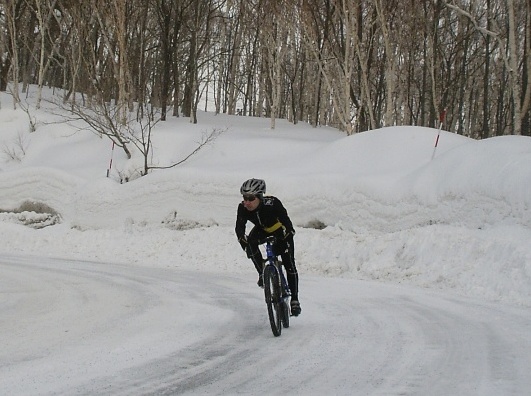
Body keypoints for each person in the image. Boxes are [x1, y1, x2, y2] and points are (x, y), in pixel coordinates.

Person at [235, 178, 301, 316]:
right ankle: (262, 273)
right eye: (244, 198)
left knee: (289, 264)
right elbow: (239, 229)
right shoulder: (243, 208)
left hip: (279, 230)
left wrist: (287, 235)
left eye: (251, 198)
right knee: (250, 245)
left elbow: (287, 223)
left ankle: (295, 300)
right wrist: (244, 242)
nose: (247, 202)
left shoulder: (272, 203)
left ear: (259, 196)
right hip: (262, 229)